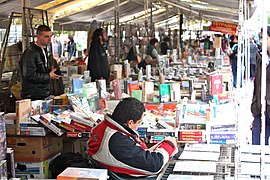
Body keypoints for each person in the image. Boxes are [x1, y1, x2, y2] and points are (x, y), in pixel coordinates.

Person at [88, 97, 177, 177]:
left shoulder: (103, 126)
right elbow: (155, 165)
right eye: (139, 123)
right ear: (130, 122)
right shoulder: (118, 141)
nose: (138, 126)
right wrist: (169, 144)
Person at [19, 25, 60, 100]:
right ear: (38, 36)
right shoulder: (30, 52)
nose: (49, 39)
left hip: (42, 93)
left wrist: (50, 71)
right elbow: (29, 75)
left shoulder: (43, 50)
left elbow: (40, 70)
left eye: (50, 36)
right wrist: (49, 76)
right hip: (33, 94)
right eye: (46, 37)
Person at [251, 26, 270, 145]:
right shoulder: (260, 57)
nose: (261, 41)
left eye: (264, 38)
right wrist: (254, 107)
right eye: (260, 38)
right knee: (256, 144)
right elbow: (256, 84)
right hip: (260, 108)